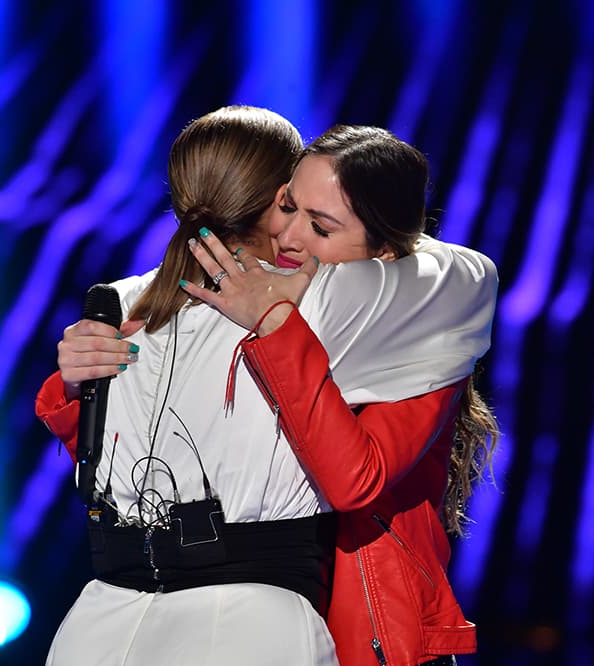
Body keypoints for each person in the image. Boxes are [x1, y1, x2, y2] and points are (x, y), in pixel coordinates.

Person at [36, 113, 497, 665]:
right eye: (288, 206)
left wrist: (278, 324)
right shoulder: (151, 301)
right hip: (127, 604)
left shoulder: (406, 309)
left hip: (330, 612)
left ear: (386, 254)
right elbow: (139, 470)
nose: (291, 237)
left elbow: (357, 481)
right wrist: (79, 385)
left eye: (320, 226)